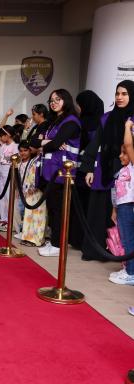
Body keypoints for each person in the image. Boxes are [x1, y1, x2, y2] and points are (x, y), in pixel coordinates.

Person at [82, 80, 134, 261]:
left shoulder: (132, 119)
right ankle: (96, 251)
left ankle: (121, 256)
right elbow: (94, 144)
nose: (119, 97)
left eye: (124, 94)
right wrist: (89, 168)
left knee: (123, 215)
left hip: (127, 172)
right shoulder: (106, 117)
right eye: (117, 94)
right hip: (104, 169)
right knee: (98, 211)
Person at [30, 89, 81, 257]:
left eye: (57, 99)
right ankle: (53, 242)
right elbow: (33, 141)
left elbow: (55, 143)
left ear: (66, 100)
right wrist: (49, 142)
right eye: (51, 100)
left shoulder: (71, 121)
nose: (53, 102)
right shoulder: (53, 121)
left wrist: (48, 142)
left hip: (62, 173)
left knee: (58, 210)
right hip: (49, 172)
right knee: (52, 209)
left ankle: (58, 245)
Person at [70, 90, 105, 251]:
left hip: (84, 170)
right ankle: (83, 239)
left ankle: (78, 238)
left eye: (80, 104)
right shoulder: (101, 121)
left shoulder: (85, 123)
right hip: (91, 170)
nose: (79, 107)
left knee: (81, 206)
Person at [108, 143, 134, 285]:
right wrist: (114, 209)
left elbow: (129, 144)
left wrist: (128, 126)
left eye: (124, 153)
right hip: (121, 207)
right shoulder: (122, 170)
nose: (120, 156)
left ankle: (131, 273)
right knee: (125, 240)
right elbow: (115, 192)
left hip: (129, 207)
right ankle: (128, 268)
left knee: (129, 240)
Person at [16, 141, 46, 247]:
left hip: (38, 190)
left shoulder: (41, 158)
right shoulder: (34, 159)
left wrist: (33, 186)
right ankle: (27, 237)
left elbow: (40, 175)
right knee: (28, 214)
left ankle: (37, 239)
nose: (29, 149)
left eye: (29, 148)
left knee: (38, 216)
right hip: (28, 190)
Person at [0, 126, 19, 232]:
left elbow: (17, 160)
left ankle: (10, 221)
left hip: (10, 174)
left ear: (8, 135)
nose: (0, 139)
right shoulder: (2, 146)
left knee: (9, 198)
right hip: (1, 174)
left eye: (1, 136)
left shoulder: (15, 146)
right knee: (1, 197)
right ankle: (3, 219)